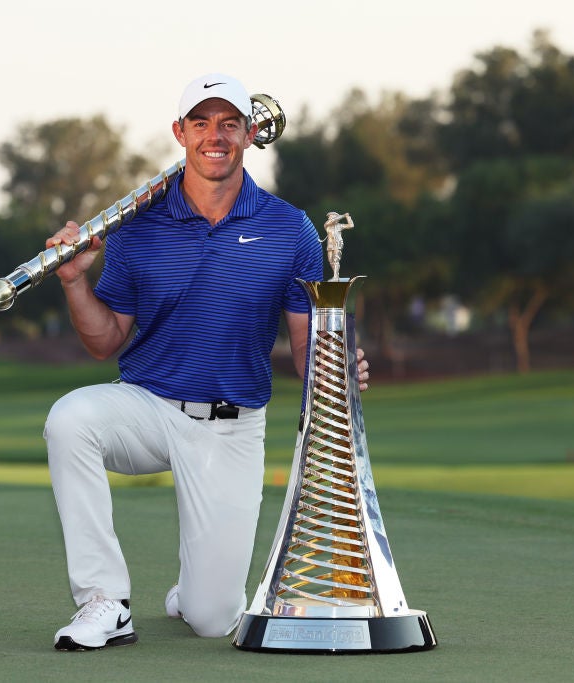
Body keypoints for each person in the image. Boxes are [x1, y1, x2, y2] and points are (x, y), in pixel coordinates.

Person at [42, 72, 369, 651]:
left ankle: (191, 590)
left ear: (247, 135)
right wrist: (73, 283)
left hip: (233, 426)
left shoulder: (289, 228)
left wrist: (334, 369)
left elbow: (303, 344)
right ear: (180, 133)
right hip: (147, 406)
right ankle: (104, 601)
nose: (213, 135)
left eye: (227, 123)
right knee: (70, 419)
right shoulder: (136, 227)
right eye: (201, 123)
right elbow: (104, 340)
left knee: (213, 617)